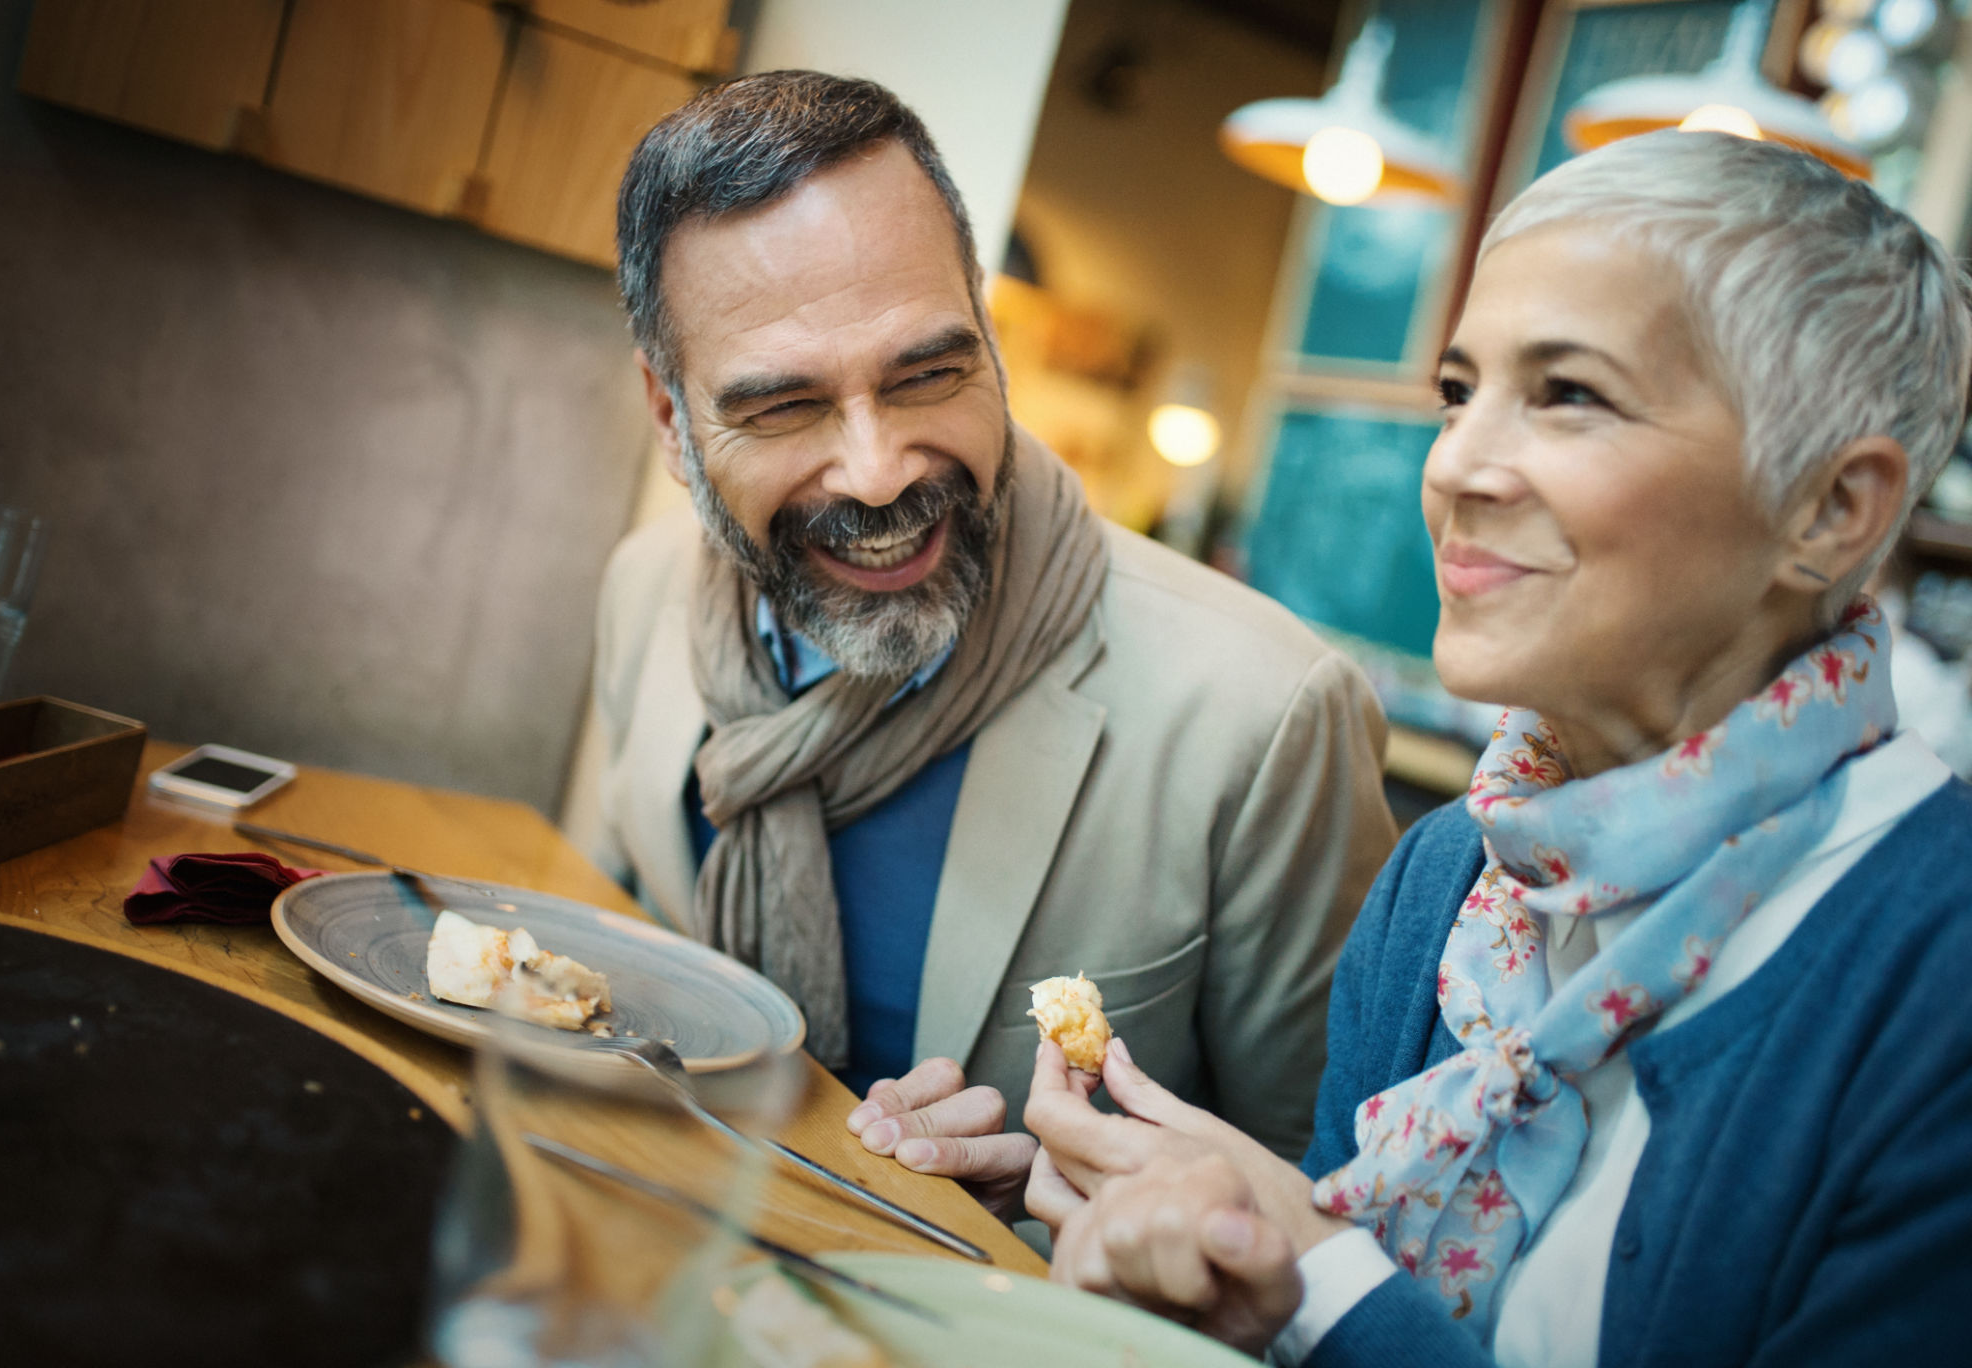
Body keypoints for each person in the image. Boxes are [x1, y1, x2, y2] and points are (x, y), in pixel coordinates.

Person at [1022, 129, 1972, 1364]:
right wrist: (1201, 1269)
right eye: (1457, 392)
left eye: (1567, 394)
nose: (1455, 464)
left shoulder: (1938, 975)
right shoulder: (1440, 881)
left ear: (1828, 511)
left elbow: (1333, 1296)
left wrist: (1317, 1278)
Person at [585, 70, 1397, 1206]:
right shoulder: (642, 594)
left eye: (930, 372)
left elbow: (1335, 1214)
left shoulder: (1265, 714)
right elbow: (592, 964)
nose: (877, 474)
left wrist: (1075, 1217)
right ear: (672, 419)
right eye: (782, 408)